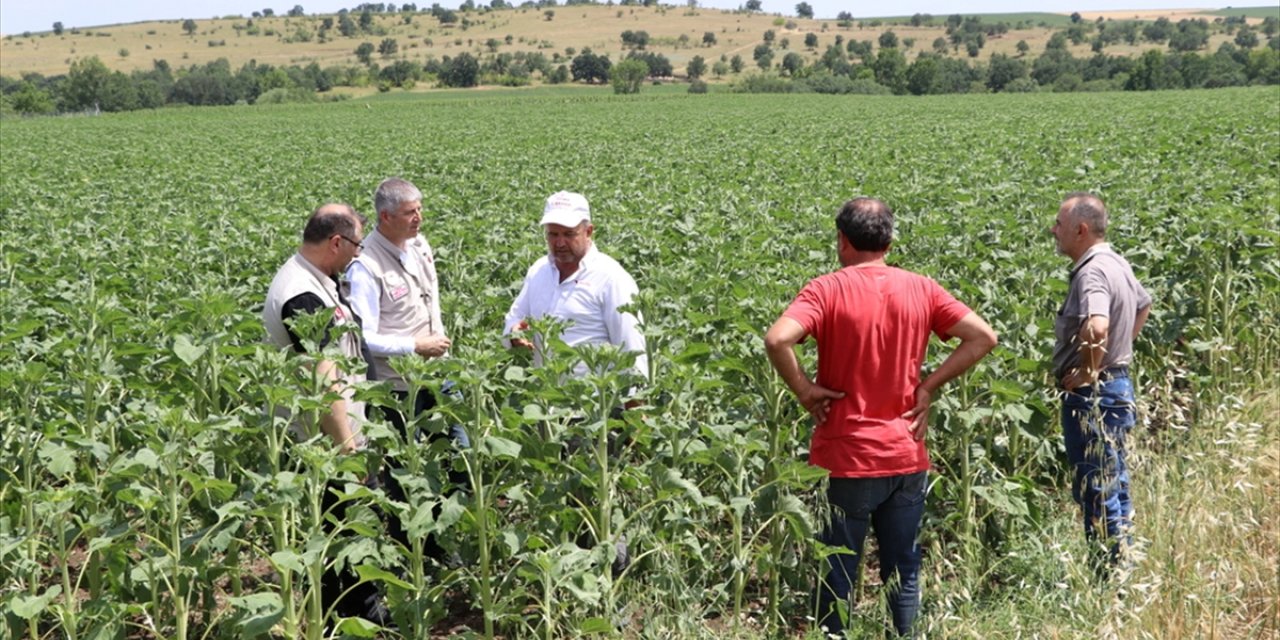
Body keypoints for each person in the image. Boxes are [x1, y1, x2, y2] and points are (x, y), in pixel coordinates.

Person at [764, 197, 997, 638]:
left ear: (842, 241)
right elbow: (983, 337)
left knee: (838, 570)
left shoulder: (826, 289)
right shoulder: (922, 288)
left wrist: (805, 390)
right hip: (905, 450)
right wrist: (928, 387)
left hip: (848, 455)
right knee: (902, 569)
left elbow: (778, 339)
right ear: (889, 240)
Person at [501, 190, 648, 578]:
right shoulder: (539, 272)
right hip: (547, 410)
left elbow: (632, 348)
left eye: (568, 234)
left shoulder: (611, 278)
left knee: (599, 499)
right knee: (555, 496)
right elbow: (514, 317)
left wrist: (635, 411)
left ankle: (609, 582)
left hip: (595, 413)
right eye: (552, 235)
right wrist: (513, 333)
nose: (559, 244)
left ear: (589, 230)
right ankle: (565, 578)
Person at [262, 203, 389, 624]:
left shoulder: (320, 280)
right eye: (355, 245)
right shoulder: (300, 294)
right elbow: (325, 381)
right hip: (328, 445)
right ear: (336, 241)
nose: (358, 253)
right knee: (347, 538)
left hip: (342, 435)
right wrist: (348, 449)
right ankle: (358, 622)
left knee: (350, 538)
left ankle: (351, 616)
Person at [346, 177, 469, 563]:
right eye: (409, 213)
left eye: (419, 210)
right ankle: (416, 552)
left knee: (462, 455)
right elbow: (364, 338)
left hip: (437, 372)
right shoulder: (365, 266)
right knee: (407, 474)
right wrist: (415, 345)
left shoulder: (419, 245)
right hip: (399, 388)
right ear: (385, 217)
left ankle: (450, 537)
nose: (419, 218)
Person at [1050, 192, 1151, 572]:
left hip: (1095, 395)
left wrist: (1092, 368)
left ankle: (1110, 579)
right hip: (1117, 386)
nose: (1053, 231)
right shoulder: (1116, 262)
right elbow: (1143, 304)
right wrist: (1118, 349)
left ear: (1081, 229)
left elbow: (1096, 324)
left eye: (1059, 225)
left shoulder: (1092, 270)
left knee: (1097, 488)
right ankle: (1125, 565)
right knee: (1116, 483)